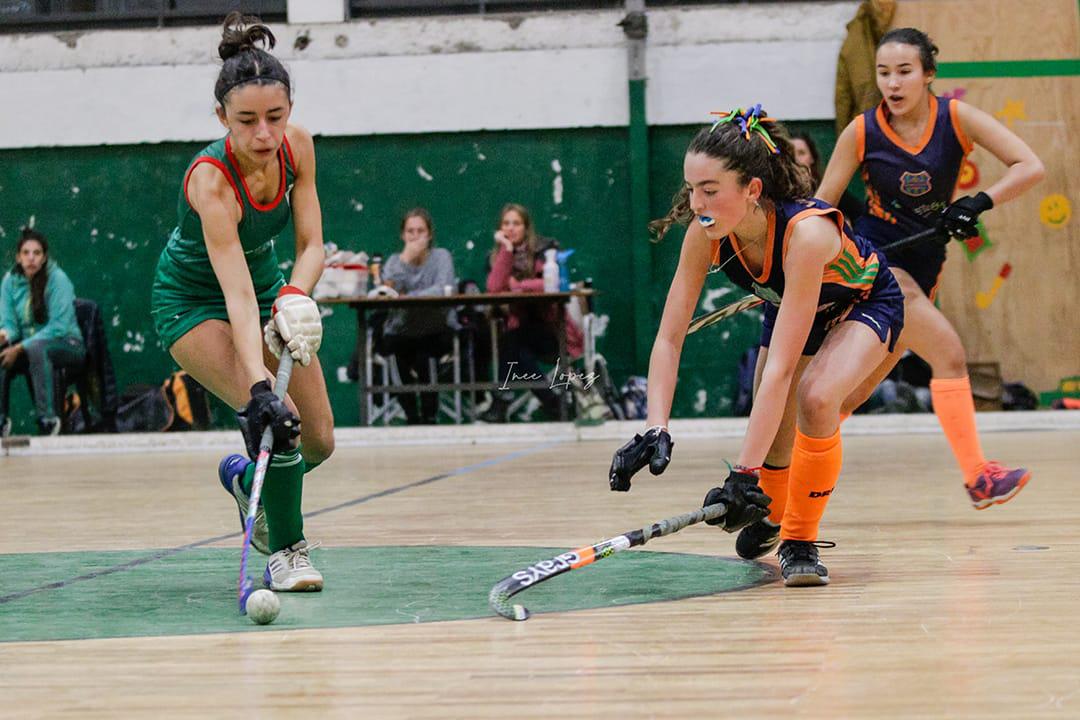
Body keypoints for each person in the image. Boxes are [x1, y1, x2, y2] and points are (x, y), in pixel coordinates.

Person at [609, 105, 906, 586]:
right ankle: (774, 499)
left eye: (710, 190)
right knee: (775, 449)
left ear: (752, 190)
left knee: (815, 397)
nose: (697, 203)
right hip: (796, 309)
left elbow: (781, 371)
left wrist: (740, 474)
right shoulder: (704, 236)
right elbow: (668, 337)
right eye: (691, 190)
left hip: (864, 304)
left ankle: (800, 541)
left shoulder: (807, 236)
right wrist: (654, 427)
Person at [817, 28, 1045, 509]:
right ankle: (979, 477)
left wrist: (978, 202)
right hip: (876, 261)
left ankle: (780, 471)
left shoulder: (956, 119)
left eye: (904, 72)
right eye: (884, 73)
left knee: (849, 397)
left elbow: (1030, 166)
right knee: (950, 356)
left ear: (929, 75)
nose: (893, 84)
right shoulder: (861, 131)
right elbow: (820, 208)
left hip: (926, 263)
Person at [149, 13, 333, 592]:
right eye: (246, 120)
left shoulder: (297, 147)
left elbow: (311, 246)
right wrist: (258, 389)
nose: (263, 134)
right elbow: (233, 296)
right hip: (192, 303)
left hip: (267, 290)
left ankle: (243, 478)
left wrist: (295, 295)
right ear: (221, 118)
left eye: (275, 117)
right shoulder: (211, 181)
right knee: (281, 423)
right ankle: (288, 553)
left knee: (321, 441)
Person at [483, 203, 583, 422]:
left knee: (512, 344)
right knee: (516, 347)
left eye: (516, 223)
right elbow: (493, 288)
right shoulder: (497, 256)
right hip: (520, 333)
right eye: (506, 224)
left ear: (526, 228)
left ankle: (502, 402)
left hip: (553, 332)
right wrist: (506, 251)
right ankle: (552, 402)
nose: (511, 228)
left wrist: (518, 286)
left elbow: (550, 284)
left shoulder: (543, 251)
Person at [0, 228, 85, 437]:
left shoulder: (58, 279)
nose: (31, 258)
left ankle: (48, 419)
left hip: (68, 345)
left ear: (44, 257)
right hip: (29, 347)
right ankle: (1, 421)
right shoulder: (10, 282)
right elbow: (10, 325)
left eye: (37, 253)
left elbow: (60, 327)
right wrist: (4, 337)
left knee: (38, 349)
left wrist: (20, 347)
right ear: (18, 257)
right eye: (26, 253)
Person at [378, 208, 458, 424]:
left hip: (435, 329)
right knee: (395, 353)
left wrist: (409, 296)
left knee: (426, 355)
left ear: (429, 234)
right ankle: (412, 416)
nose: (415, 236)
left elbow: (443, 288)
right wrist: (406, 259)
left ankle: (430, 416)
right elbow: (387, 291)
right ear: (403, 235)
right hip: (401, 330)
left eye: (420, 231)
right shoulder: (396, 261)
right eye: (410, 231)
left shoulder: (441, 257)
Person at [789, 131, 864, 223]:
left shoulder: (828, 188)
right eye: (790, 153)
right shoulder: (782, 194)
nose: (796, 159)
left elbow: (860, 213)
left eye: (801, 153)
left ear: (812, 158)